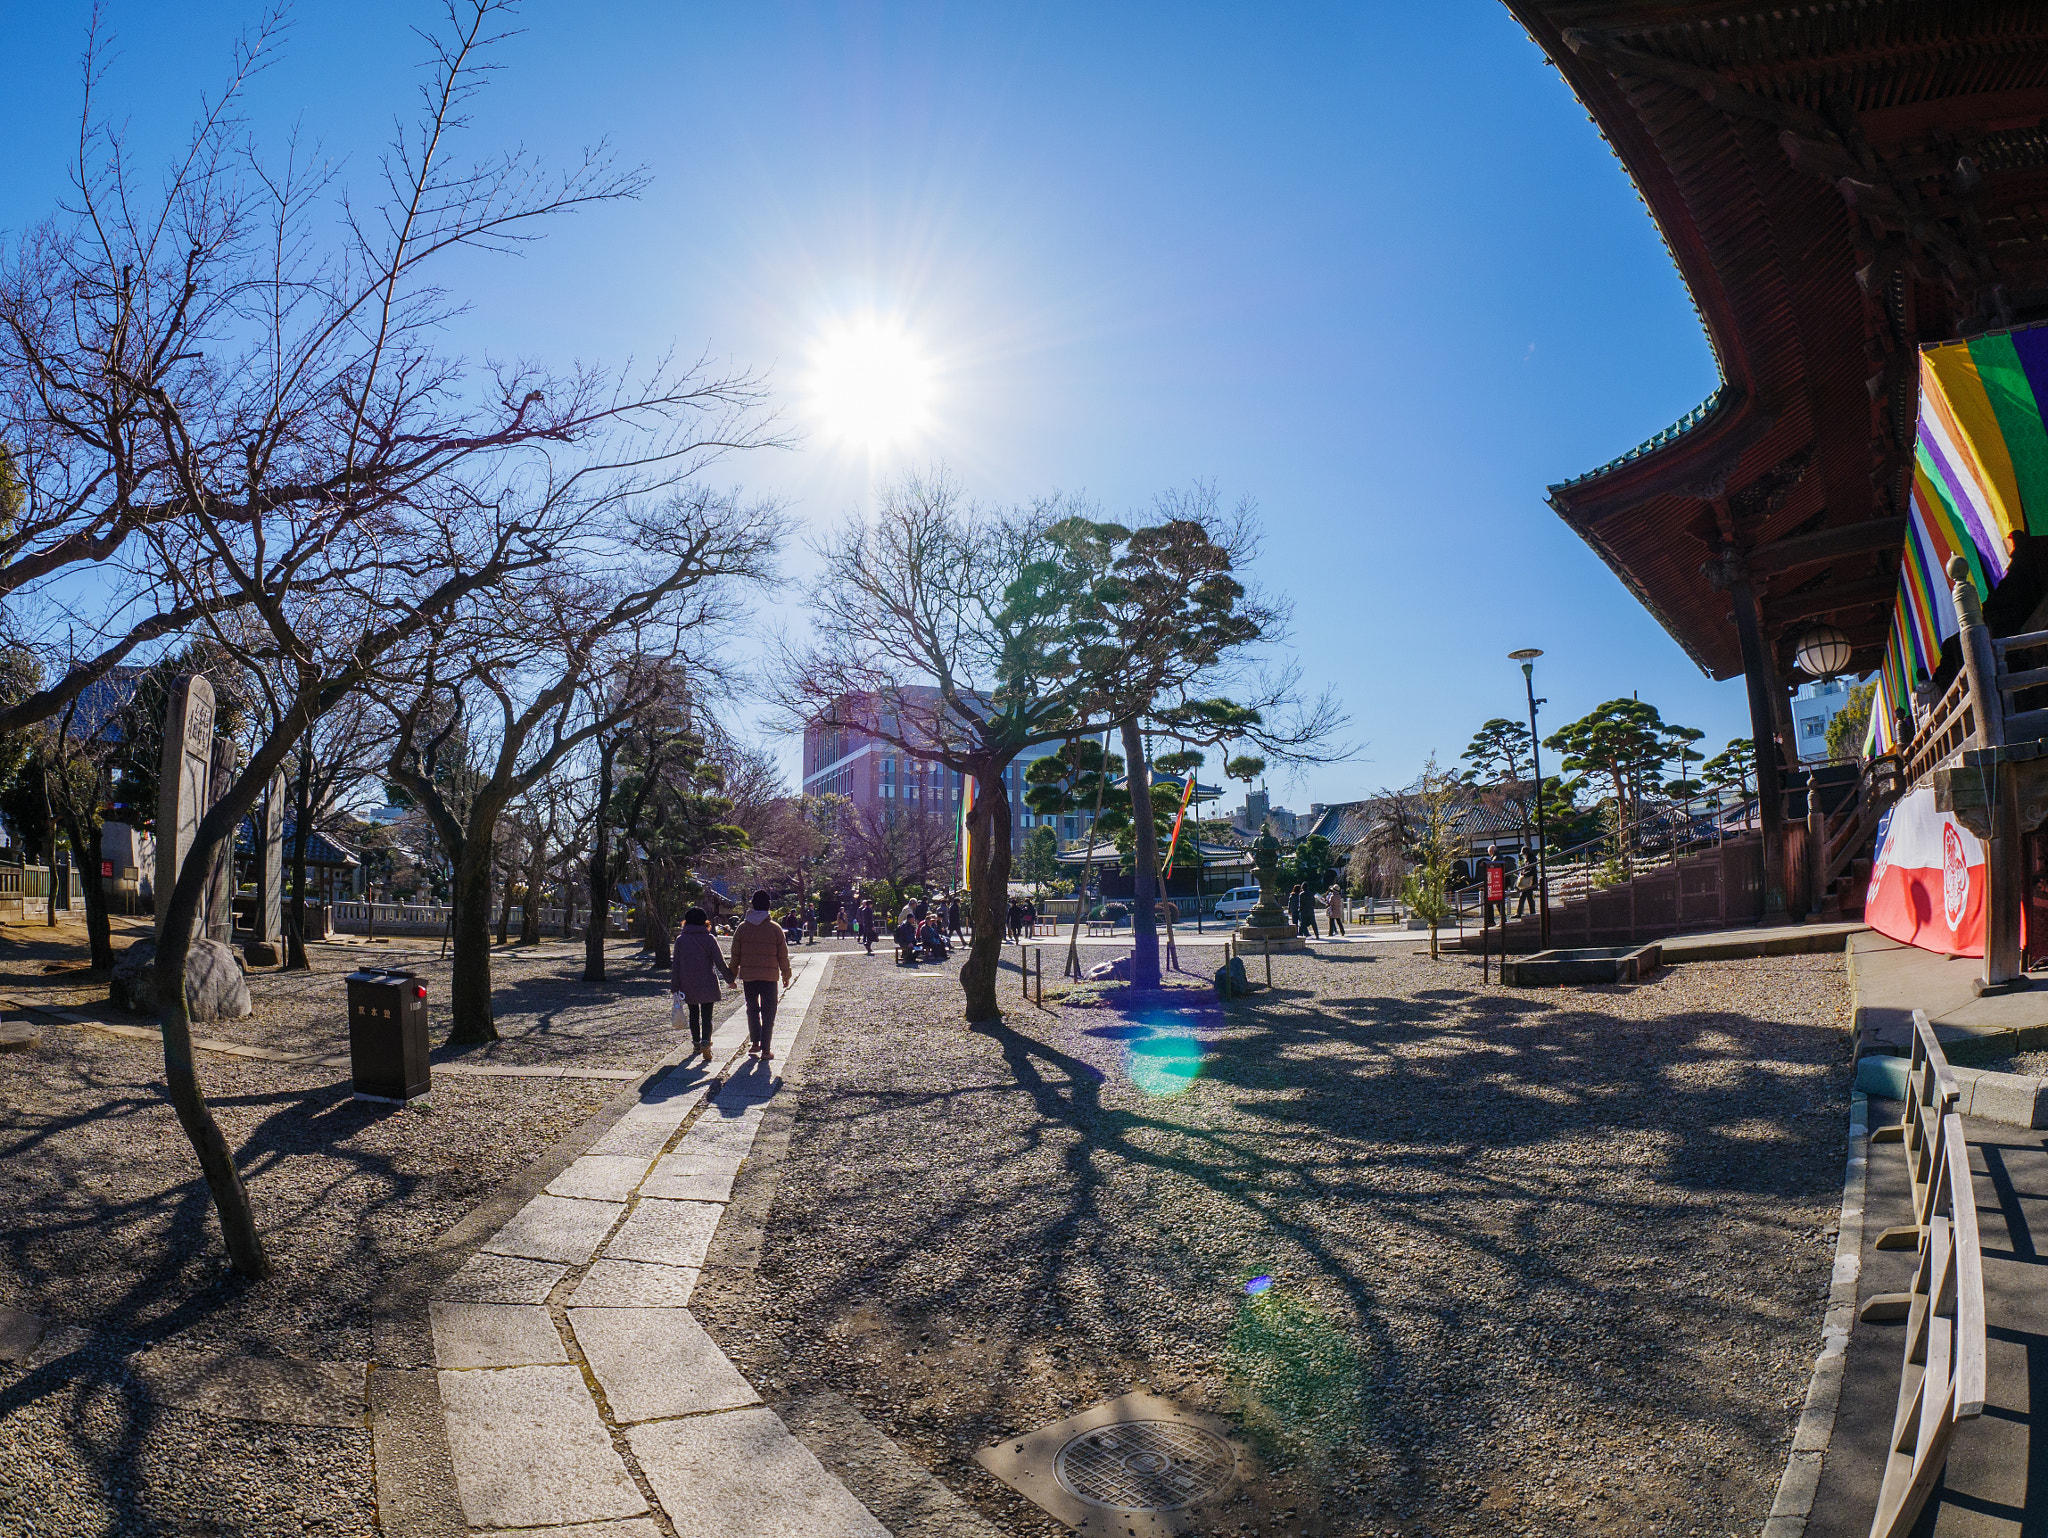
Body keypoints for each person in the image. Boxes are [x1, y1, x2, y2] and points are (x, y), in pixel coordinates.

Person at [728, 889, 792, 1061]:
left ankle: (755, 1042)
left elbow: (735, 955)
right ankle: (766, 1050)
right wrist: (786, 974)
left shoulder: (742, 928)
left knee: (752, 1009)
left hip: (749, 975)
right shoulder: (775, 928)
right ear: (768, 906)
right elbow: (782, 955)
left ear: (753, 905)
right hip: (770, 976)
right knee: (769, 1012)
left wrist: (731, 976)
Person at [670, 907, 733, 1063]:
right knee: (707, 1016)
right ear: (705, 921)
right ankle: (706, 1042)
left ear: (686, 921)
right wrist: (729, 979)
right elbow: (720, 962)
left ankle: (697, 1044)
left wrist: (675, 987)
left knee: (693, 1014)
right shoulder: (709, 938)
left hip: (687, 983)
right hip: (707, 982)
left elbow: (676, 966)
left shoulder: (681, 940)